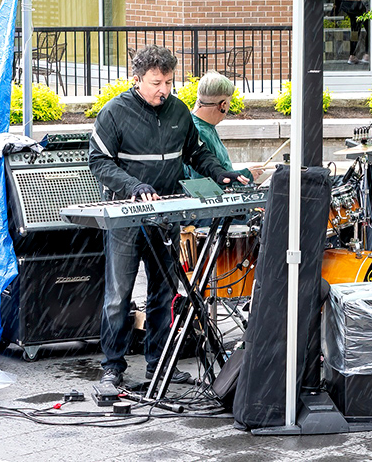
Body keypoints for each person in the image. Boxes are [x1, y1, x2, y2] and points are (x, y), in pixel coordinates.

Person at [89, 45, 244, 388]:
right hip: (125, 217)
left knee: (164, 292)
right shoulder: (114, 112)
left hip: (165, 216)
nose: (164, 90)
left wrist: (220, 173)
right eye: (156, 82)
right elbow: (98, 161)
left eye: (169, 82)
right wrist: (133, 186)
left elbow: (196, 153)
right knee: (118, 294)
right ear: (137, 79)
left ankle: (159, 363)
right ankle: (112, 366)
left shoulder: (178, 110)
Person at [186, 71, 264, 184]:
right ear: (223, 105)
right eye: (229, 102)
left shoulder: (202, 126)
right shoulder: (200, 132)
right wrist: (247, 175)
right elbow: (204, 184)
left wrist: (243, 173)